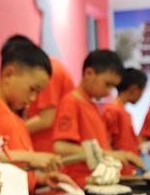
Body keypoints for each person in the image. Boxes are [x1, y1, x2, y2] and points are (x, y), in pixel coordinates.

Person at [0, 37, 73, 195]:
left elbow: (14, 173)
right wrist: (31, 157)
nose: (34, 98)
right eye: (32, 89)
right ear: (8, 74)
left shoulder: (20, 121)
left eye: (38, 92)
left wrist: (42, 179)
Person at [52, 50, 144, 185]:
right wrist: (107, 154)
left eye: (113, 87)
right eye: (107, 84)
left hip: (97, 181)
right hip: (80, 183)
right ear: (89, 73)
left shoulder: (93, 106)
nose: (109, 92)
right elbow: (61, 147)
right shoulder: (71, 102)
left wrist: (120, 155)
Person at [14, 34, 75, 153]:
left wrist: (12, 132)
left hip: (47, 147)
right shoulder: (49, 69)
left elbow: (46, 119)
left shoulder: (47, 72)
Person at [102, 67, 147, 175]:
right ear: (134, 88)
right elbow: (106, 145)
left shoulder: (122, 111)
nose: (142, 95)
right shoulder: (113, 110)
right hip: (118, 172)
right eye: (142, 91)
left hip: (127, 171)